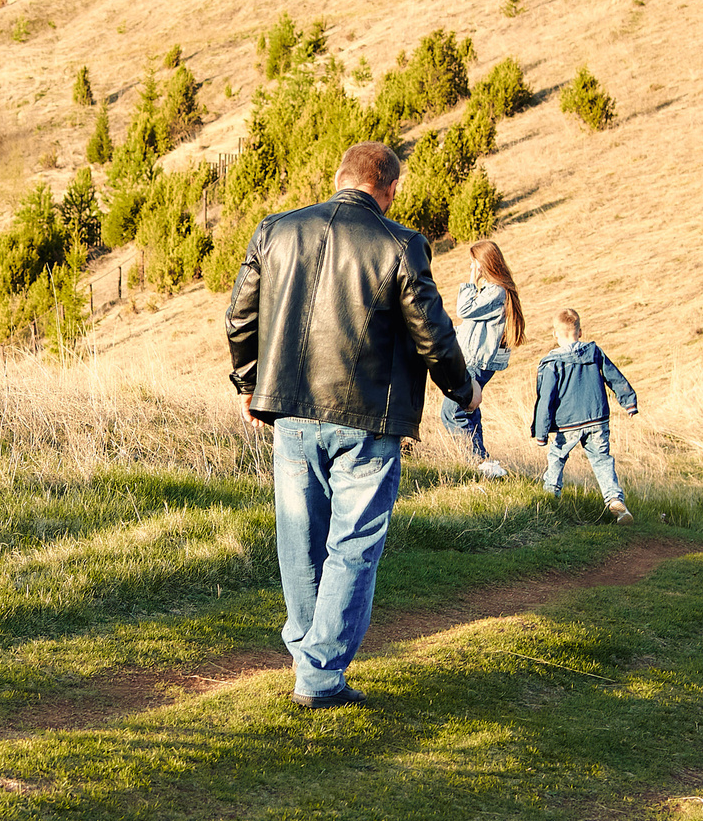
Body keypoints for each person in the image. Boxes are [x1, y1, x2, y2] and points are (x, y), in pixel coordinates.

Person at [224, 141, 477, 710]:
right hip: (368, 419)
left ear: (338, 177)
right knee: (352, 546)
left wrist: (247, 385)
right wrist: (466, 390)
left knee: (299, 540)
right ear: (390, 187)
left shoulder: (275, 231)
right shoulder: (402, 245)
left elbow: (240, 317)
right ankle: (318, 674)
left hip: (290, 412)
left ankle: (309, 660)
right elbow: (432, 334)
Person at [530, 308, 638, 522]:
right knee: (602, 460)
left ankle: (550, 496)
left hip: (568, 423)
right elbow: (614, 377)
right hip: (597, 418)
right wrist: (629, 402)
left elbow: (546, 399)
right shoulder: (594, 352)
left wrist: (541, 432)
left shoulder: (552, 363)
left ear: (555, 334)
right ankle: (615, 501)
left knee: (557, 456)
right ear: (579, 332)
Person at [439, 238, 528, 479]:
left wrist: (471, 281)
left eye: (474, 263)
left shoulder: (496, 291)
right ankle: (484, 463)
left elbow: (464, 310)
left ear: (484, 263)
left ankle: (476, 461)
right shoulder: (494, 290)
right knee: (468, 410)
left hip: (477, 362)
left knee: (451, 411)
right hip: (473, 359)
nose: (471, 267)